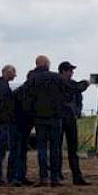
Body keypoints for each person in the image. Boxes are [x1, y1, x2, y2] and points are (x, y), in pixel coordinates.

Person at [25, 55, 72, 187]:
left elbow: (27, 95)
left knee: (42, 149)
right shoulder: (56, 77)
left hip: (39, 118)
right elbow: (68, 89)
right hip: (55, 118)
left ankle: (43, 177)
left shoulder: (32, 78)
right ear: (46, 64)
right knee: (55, 148)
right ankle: (55, 178)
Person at [56, 62, 90, 185]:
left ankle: (62, 174)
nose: (72, 72)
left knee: (62, 148)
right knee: (66, 149)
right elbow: (78, 88)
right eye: (70, 70)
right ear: (64, 71)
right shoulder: (64, 83)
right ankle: (73, 175)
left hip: (64, 118)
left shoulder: (59, 83)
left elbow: (78, 96)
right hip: (65, 118)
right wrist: (86, 83)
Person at [0, 65, 16, 186]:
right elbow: (3, 106)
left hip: (0, 123)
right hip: (1, 123)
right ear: (7, 72)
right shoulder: (3, 87)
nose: (15, 75)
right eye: (13, 73)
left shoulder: (1, 85)